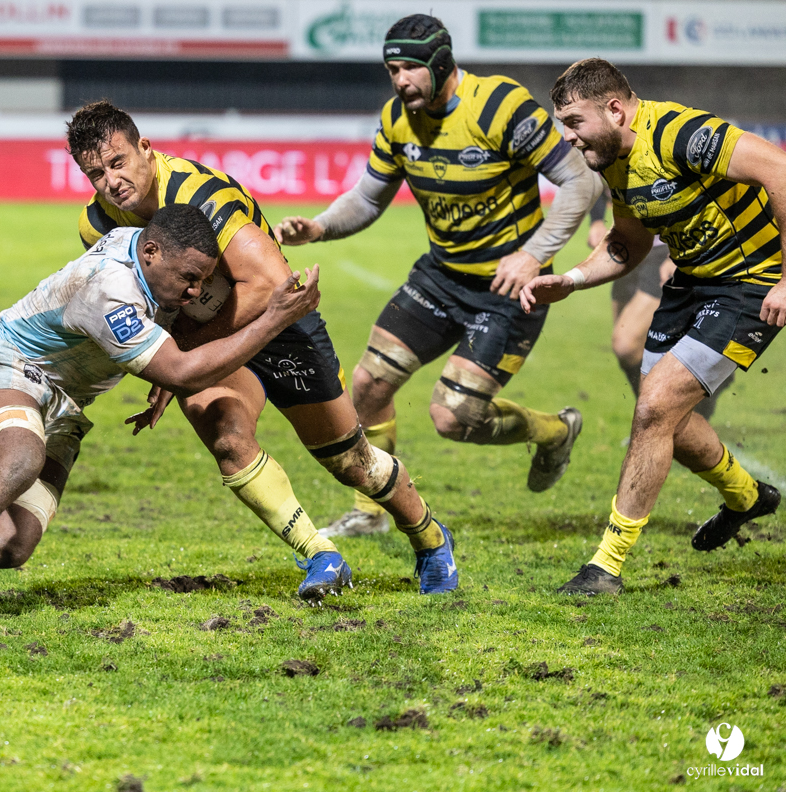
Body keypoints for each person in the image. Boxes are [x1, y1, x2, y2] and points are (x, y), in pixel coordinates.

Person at [0, 206, 325, 623]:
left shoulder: (149, 256)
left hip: (65, 401)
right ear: (154, 250)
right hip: (5, 365)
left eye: (200, 282)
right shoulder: (109, 290)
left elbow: (174, 360)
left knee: (10, 544)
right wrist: (273, 318)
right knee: (20, 457)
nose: (192, 294)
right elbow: (182, 371)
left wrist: (167, 366)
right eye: (188, 278)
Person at [68, 100, 459, 596]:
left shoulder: (200, 193)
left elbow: (271, 285)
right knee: (227, 438)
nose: (110, 181)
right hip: (208, 337)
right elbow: (134, 300)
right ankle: (322, 554)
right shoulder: (96, 227)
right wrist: (167, 361)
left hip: (278, 324)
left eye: (118, 162)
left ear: (145, 148)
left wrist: (184, 351)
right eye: (94, 173)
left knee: (351, 462)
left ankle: (429, 537)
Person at [275, 14, 604, 537]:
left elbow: (580, 181)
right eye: (392, 69)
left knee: (454, 418)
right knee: (368, 383)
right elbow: (367, 197)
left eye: (410, 68)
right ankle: (370, 512)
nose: (400, 79)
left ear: (441, 62)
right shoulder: (397, 118)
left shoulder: (500, 105)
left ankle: (554, 432)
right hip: (439, 278)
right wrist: (317, 227)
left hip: (509, 290)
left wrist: (533, 254)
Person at [522, 58, 786, 595]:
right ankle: (746, 497)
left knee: (653, 407)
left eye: (574, 122)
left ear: (615, 109)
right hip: (692, 283)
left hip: (750, 283)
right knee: (670, 419)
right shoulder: (613, 159)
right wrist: (570, 280)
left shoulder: (682, 134)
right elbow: (628, 244)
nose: (568, 138)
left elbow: (779, 170)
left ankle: (605, 566)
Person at [589, 196, 730, 420]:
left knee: (626, 343)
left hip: (662, 248)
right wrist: (596, 220)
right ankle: (654, 421)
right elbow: (595, 182)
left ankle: (667, 419)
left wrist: (677, 252)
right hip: (625, 244)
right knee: (629, 351)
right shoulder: (600, 159)